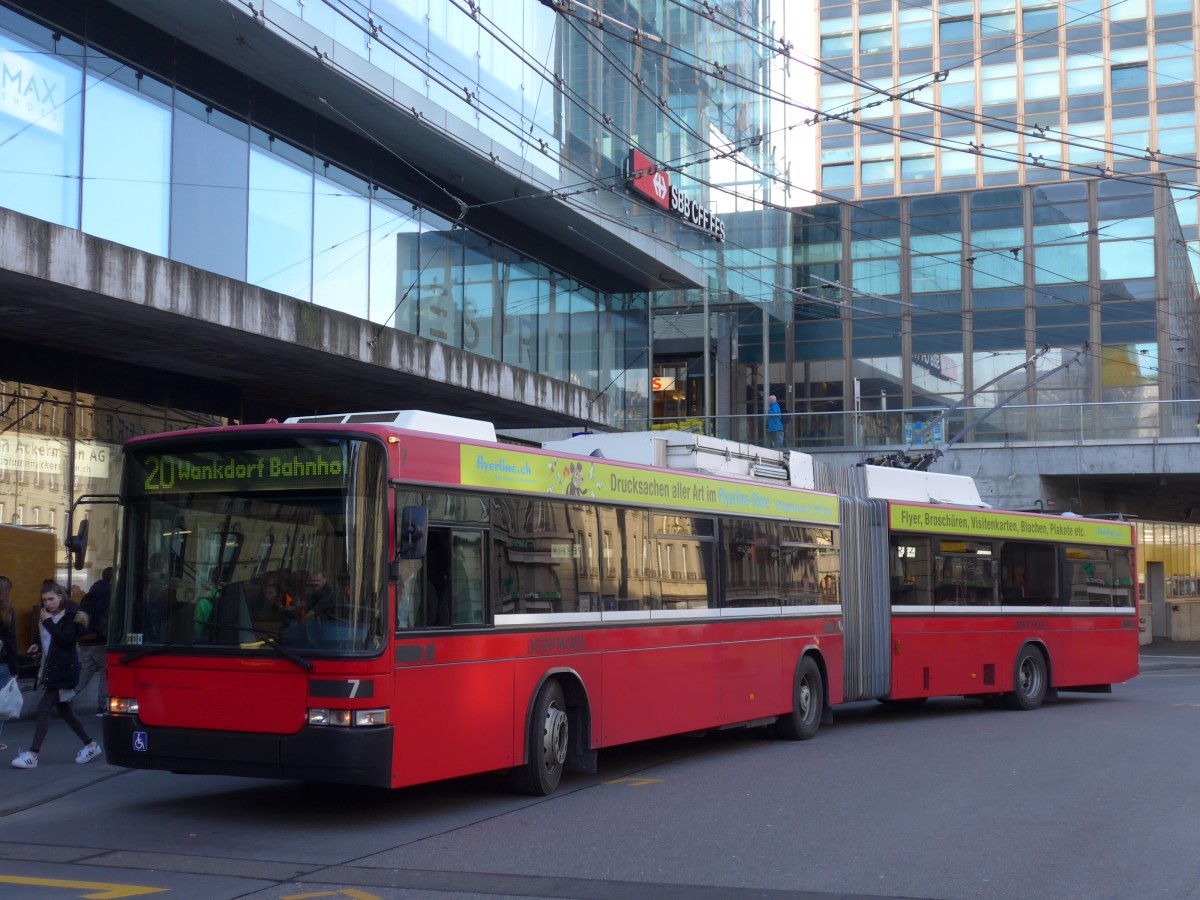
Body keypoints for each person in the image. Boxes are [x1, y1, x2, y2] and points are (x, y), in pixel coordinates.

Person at [11, 580, 102, 769]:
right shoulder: (48, 615)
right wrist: (36, 643)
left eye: (51, 599)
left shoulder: (71, 616)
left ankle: (32, 755)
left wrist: (47, 622)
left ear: (61, 597)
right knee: (65, 711)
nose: (47, 603)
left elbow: (66, 640)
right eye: (44, 600)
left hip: (63, 670)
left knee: (44, 709)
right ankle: (91, 745)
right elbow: (44, 635)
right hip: (53, 668)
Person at [75, 566, 112, 717]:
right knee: (105, 672)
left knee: (85, 672)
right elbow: (105, 619)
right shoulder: (110, 594)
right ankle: (101, 706)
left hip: (84, 641)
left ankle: (65, 697)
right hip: (98, 640)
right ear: (112, 578)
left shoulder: (89, 595)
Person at [0, 575, 18, 751]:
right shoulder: (7, 612)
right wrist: (15, 668)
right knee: (1, 703)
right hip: (2, 664)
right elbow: (11, 641)